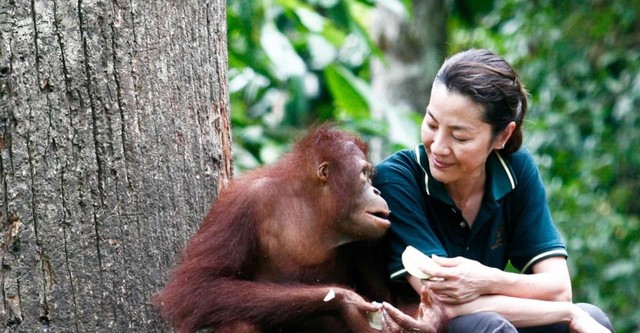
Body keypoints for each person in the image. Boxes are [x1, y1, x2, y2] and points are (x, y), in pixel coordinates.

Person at [373, 49, 614, 332]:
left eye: (459, 136)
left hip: (486, 316)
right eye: (431, 123)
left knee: (592, 317)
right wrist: (566, 313)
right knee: (494, 325)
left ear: (502, 136)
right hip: (425, 324)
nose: (438, 146)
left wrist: (486, 279)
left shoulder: (517, 168)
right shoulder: (397, 178)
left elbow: (559, 289)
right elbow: (440, 303)